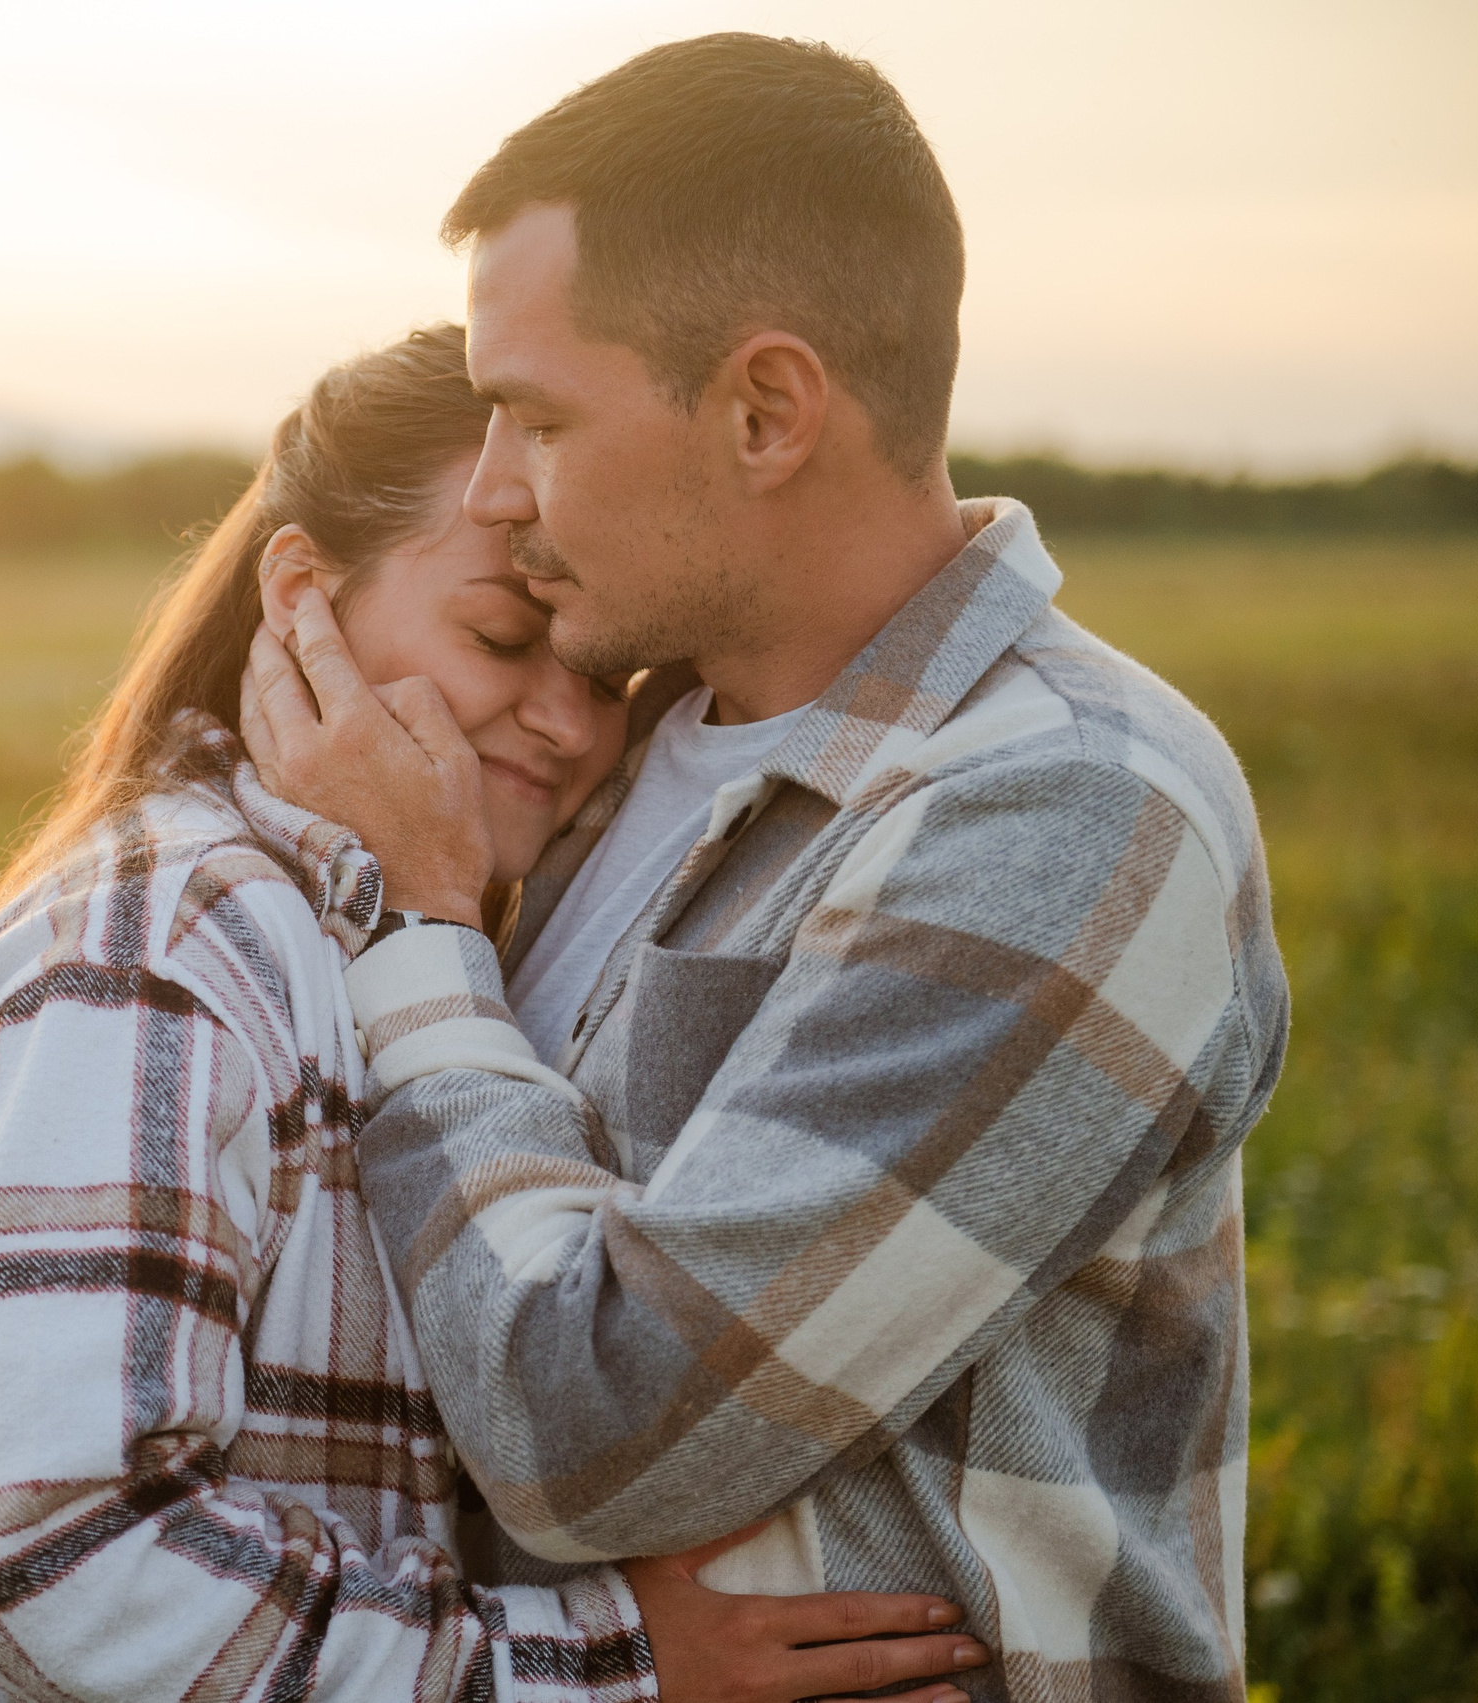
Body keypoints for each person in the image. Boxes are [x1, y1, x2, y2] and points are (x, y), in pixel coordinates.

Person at [242, 36, 1289, 1703]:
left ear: (765, 409)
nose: (497, 490)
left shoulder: (1071, 817)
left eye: (534, 417)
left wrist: (425, 930)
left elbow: (598, 1438)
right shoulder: (632, 735)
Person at [0, 326, 993, 1703]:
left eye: (604, 678)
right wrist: (598, 1673)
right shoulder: (165, 955)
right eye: (502, 638)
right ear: (302, 595)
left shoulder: (391, 941)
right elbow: (44, 1537)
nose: (568, 727)